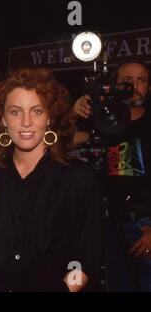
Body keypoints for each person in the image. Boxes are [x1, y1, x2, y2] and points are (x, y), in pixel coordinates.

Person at [0, 68, 103, 292]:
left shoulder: (78, 178)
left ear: (49, 117)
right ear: (2, 119)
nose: (26, 122)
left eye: (37, 111)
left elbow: (86, 262)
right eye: (15, 112)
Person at [72, 61, 151, 291]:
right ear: (113, 85)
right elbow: (57, 144)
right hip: (105, 223)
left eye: (141, 80)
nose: (134, 86)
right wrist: (73, 112)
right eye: (126, 81)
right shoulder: (99, 118)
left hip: (144, 224)